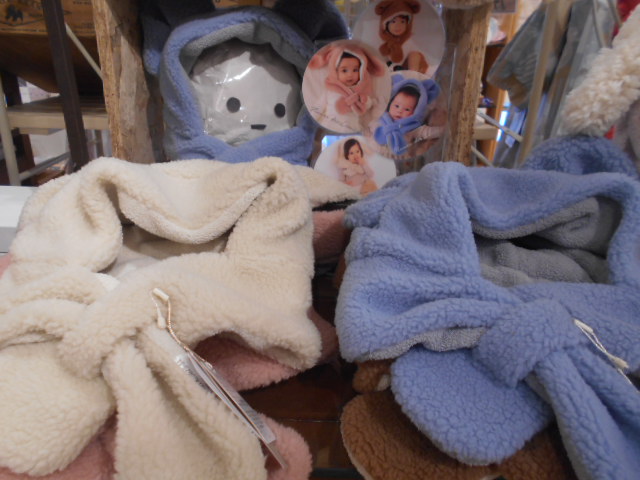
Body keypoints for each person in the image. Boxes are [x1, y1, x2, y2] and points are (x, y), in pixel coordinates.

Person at [305, 42, 387, 133]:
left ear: (361, 71)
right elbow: (319, 106)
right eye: (344, 70)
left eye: (355, 70)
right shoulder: (331, 90)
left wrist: (365, 100)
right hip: (330, 124)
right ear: (335, 71)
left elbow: (368, 105)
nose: (350, 74)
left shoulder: (360, 91)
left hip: (351, 127)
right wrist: (311, 120)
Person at [373, 75, 444, 167]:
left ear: (415, 112)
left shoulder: (412, 126)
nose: (399, 111)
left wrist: (442, 130)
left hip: (398, 157)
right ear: (390, 104)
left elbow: (426, 132)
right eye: (396, 106)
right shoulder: (382, 117)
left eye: (407, 109)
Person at [376, 0, 429, 74]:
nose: (398, 26)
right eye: (393, 21)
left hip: (409, 66)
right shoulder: (387, 42)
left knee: (414, 55)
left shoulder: (409, 39)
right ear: (386, 25)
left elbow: (414, 53)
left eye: (402, 22)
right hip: (393, 68)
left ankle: (413, 75)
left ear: (408, 25)